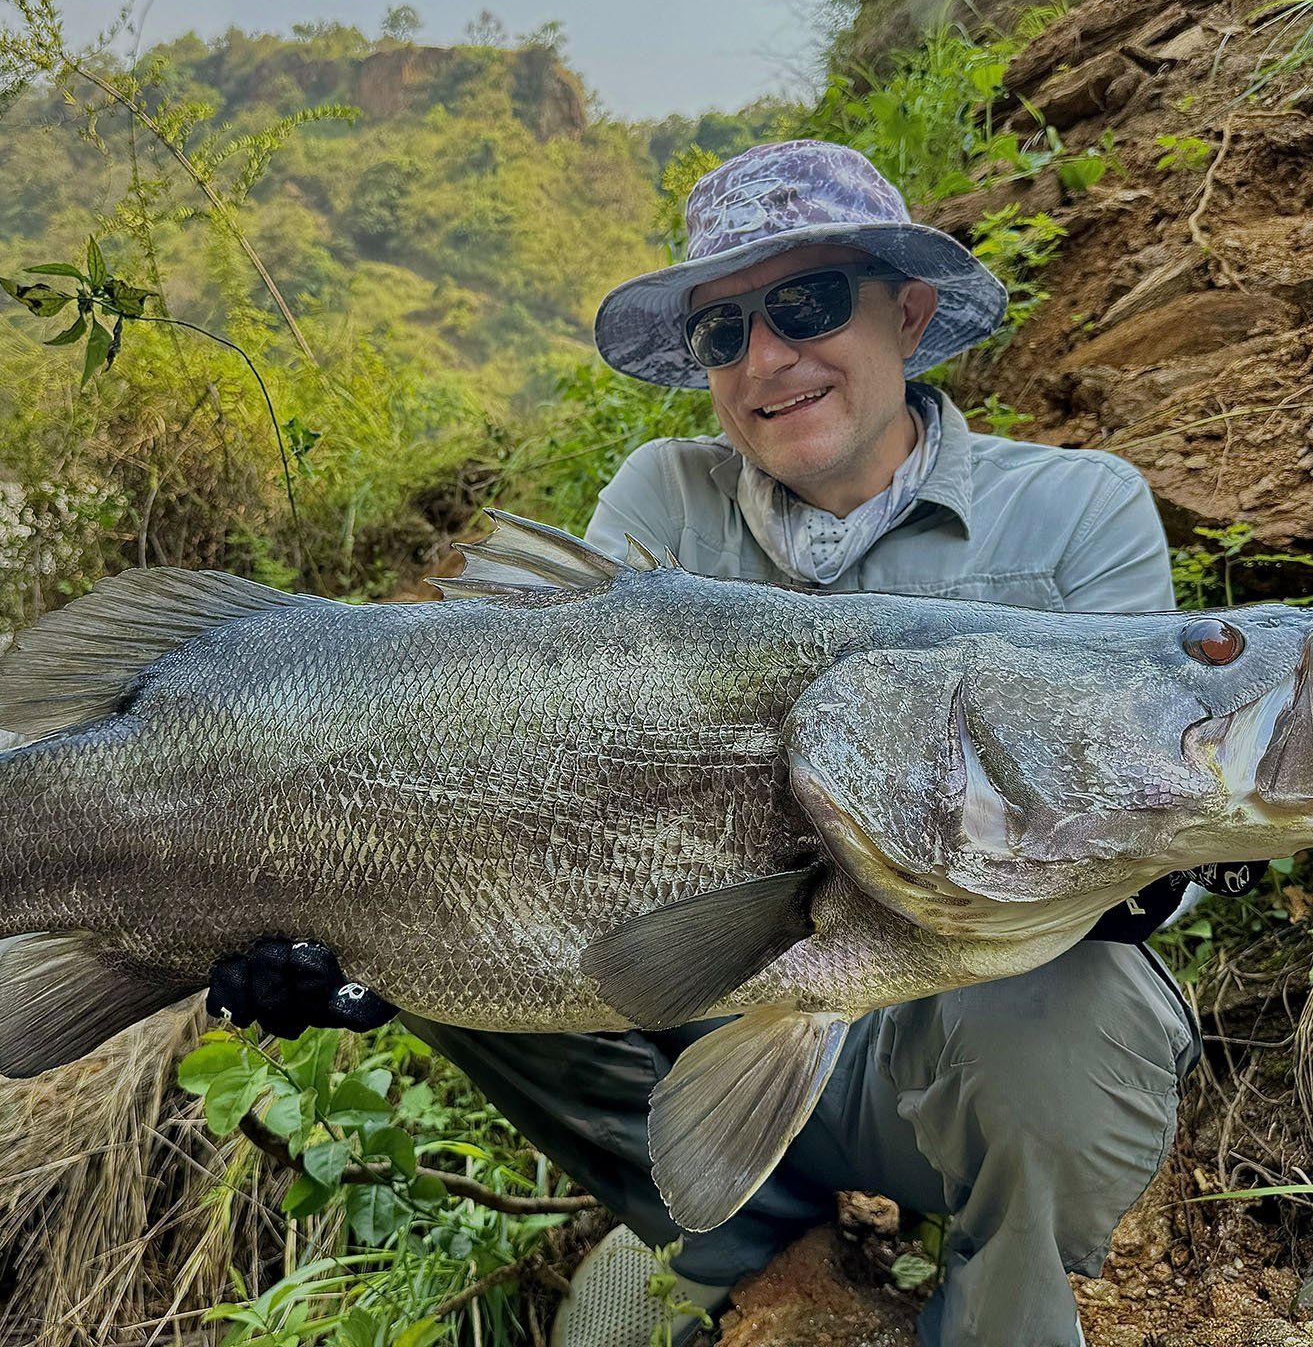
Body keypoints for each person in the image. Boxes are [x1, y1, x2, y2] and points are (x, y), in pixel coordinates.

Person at [212, 141, 1251, 1347]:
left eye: (806, 305)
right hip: (736, 1030)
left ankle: (998, 1302)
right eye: (723, 333)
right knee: (442, 906)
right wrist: (338, 918)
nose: (767, 359)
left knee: (1084, 1006)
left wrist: (1156, 870)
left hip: (957, 1055)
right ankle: (754, 1253)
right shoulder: (661, 504)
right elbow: (535, 762)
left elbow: (1159, 785)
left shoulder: (1078, 512)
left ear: (907, 314)